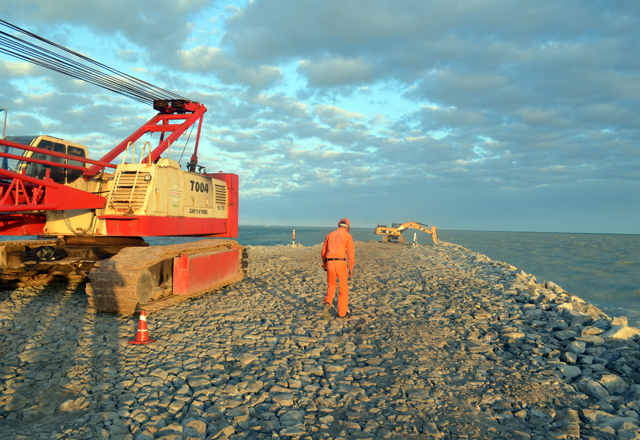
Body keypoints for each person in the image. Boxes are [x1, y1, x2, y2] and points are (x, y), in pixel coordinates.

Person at [321, 218, 355, 319]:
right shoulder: (348, 236)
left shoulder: (329, 235)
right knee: (343, 289)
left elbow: (323, 252)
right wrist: (351, 267)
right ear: (348, 227)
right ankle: (342, 313)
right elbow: (350, 253)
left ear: (339, 225)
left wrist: (325, 264)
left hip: (330, 262)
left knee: (331, 285)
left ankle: (328, 302)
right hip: (341, 263)